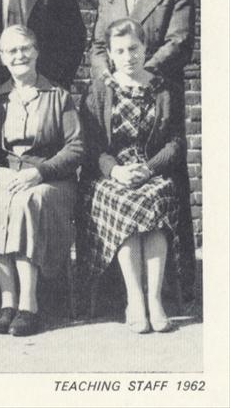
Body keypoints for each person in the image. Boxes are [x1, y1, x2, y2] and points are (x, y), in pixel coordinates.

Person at [89, 0, 196, 301]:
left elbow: (179, 41)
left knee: (166, 183)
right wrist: (109, 77)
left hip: (158, 91)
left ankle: (172, 287)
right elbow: (99, 45)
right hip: (115, 92)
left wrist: (138, 74)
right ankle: (119, 290)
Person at [0, 25, 84, 336]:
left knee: (25, 202)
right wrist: (0, 172)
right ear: (1, 58)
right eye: (11, 51)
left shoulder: (58, 96)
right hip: (8, 177)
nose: (19, 55)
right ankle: (7, 302)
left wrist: (40, 172)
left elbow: (76, 147)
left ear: (36, 52)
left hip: (50, 180)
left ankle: (29, 304)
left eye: (25, 48)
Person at [80, 18, 186, 333]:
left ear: (145, 47)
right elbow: (93, 146)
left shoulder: (165, 88)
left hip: (152, 168)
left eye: (134, 48)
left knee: (154, 197)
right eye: (120, 51)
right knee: (126, 201)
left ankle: (155, 300)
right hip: (110, 174)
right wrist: (116, 170)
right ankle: (135, 298)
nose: (129, 57)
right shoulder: (99, 89)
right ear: (110, 54)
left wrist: (149, 168)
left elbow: (176, 142)